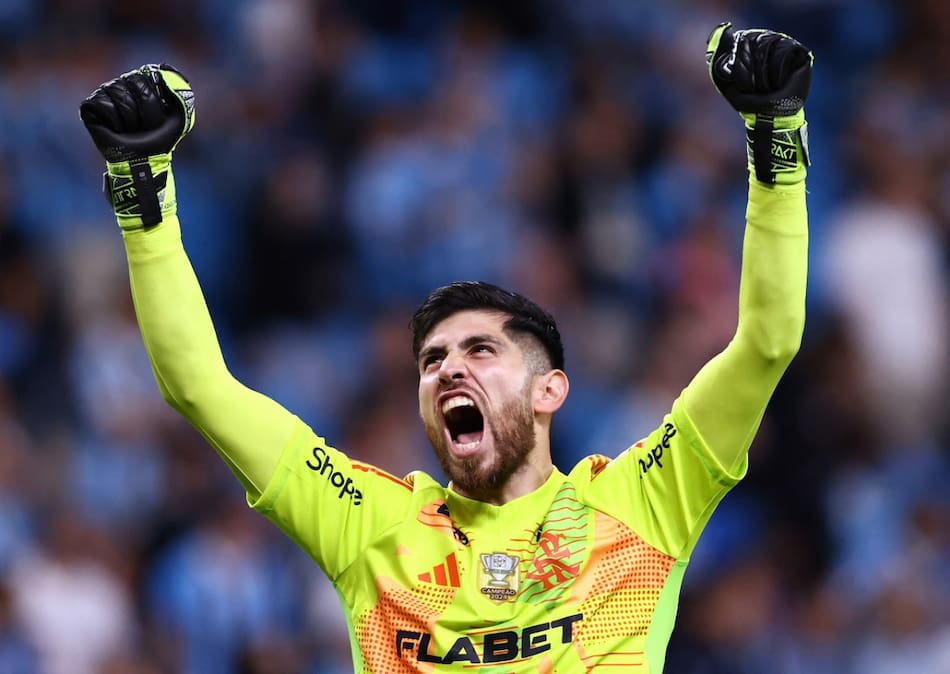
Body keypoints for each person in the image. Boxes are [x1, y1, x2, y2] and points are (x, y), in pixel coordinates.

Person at [79, 21, 812, 673]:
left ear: (550, 388)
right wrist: (142, 200)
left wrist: (776, 142)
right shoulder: (373, 527)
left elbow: (766, 343)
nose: (448, 369)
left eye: (480, 351)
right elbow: (198, 385)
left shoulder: (640, 506)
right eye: (432, 361)